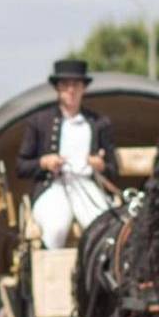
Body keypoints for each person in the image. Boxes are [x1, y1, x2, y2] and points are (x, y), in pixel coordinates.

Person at [17, 59, 118, 249]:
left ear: (83, 89)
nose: (71, 90)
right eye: (65, 85)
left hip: (87, 185)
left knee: (103, 227)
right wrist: (44, 163)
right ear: (57, 89)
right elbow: (21, 166)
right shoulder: (39, 121)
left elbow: (114, 169)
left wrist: (100, 165)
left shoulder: (99, 123)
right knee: (56, 227)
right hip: (54, 186)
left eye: (76, 85)